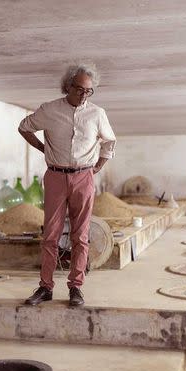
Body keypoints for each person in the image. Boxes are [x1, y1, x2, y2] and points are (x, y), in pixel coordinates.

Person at [18, 62, 116, 307]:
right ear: (68, 86)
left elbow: (109, 141)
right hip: (55, 177)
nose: (84, 94)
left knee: (80, 236)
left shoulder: (97, 114)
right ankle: (45, 287)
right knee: (50, 235)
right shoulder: (49, 110)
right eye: (80, 89)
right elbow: (24, 127)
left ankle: (76, 287)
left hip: (84, 177)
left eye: (89, 91)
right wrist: (42, 148)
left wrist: (97, 168)